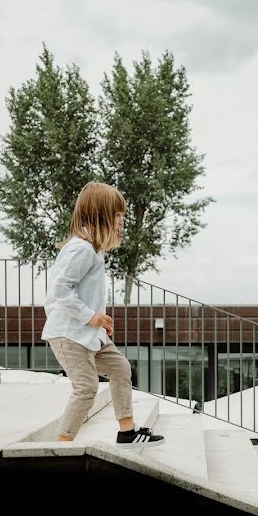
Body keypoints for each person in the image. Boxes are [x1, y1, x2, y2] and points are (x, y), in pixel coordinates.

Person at [42, 182, 164, 447]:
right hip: (69, 334)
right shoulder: (81, 249)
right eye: (118, 216)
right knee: (86, 389)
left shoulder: (93, 250)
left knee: (121, 368)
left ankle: (127, 432)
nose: (122, 222)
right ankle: (60, 446)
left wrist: (98, 322)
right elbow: (59, 291)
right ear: (101, 215)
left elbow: (85, 294)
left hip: (87, 332)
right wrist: (91, 317)